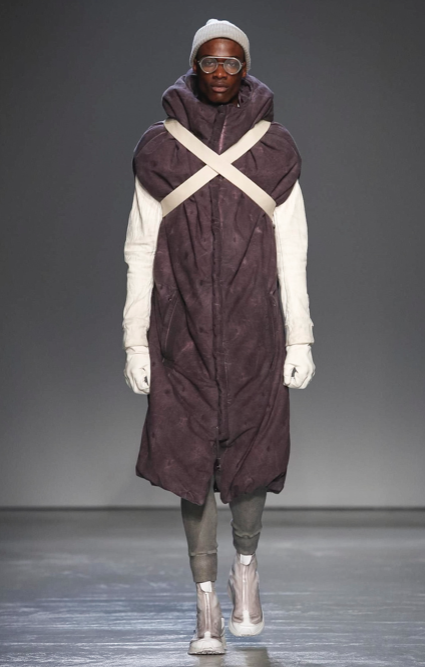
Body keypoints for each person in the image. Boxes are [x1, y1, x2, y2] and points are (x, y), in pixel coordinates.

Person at [122, 18, 315, 655]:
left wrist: (301, 338)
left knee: (254, 459)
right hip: (180, 337)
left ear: (246, 67)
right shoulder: (161, 149)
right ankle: (206, 602)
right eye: (210, 61)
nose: (221, 72)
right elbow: (140, 250)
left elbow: (292, 251)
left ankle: (246, 572)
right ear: (195, 66)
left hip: (256, 333)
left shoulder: (274, 150)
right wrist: (134, 341)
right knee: (190, 466)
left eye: (232, 61)